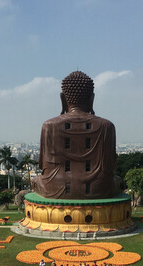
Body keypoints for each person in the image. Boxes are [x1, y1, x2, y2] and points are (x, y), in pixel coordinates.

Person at [33, 71, 119, 200]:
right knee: (117, 180)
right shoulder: (107, 126)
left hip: (55, 187)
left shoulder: (49, 125)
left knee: (35, 180)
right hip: (100, 188)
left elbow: (42, 165)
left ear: (62, 98)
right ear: (92, 99)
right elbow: (112, 165)